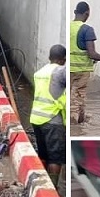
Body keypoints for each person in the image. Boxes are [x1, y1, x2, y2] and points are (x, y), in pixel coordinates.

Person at [30, 45, 67, 187]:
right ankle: (53, 189)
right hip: (52, 120)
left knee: (43, 154)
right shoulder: (60, 71)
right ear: (63, 59)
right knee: (55, 159)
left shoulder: (39, 72)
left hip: (36, 118)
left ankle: (42, 185)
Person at [70, 1, 100, 125]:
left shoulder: (68, 27)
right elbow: (92, 54)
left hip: (68, 70)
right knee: (79, 97)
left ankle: (76, 122)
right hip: (81, 71)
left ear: (75, 12)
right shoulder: (87, 30)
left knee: (68, 96)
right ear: (87, 13)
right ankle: (76, 126)